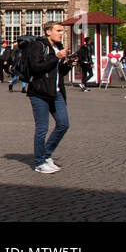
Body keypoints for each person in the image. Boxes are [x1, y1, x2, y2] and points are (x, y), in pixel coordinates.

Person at [25, 21, 72, 173]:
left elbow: (59, 72)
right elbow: (36, 67)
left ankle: (46, 154)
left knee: (63, 124)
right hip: (39, 92)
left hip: (56, 92)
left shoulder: (58, 47)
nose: (61, 33)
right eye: (58, 30)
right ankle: (39, 162)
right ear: (48, 31)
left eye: (62, 31)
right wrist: (56, 57)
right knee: (42, 129)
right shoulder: (38, 46)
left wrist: (68, 64)